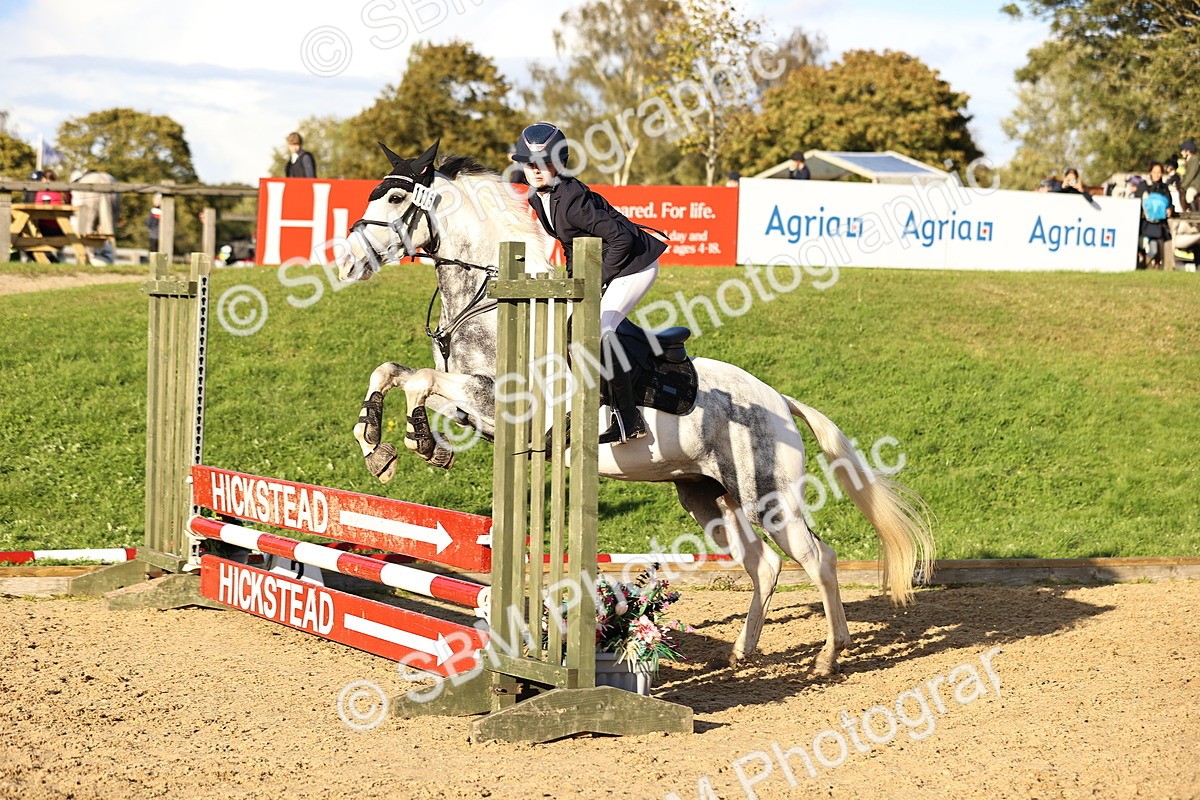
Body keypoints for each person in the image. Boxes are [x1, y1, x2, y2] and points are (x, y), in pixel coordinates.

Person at [510, 122, 666, 445]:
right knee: (575, 328)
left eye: (543, 163)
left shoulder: (572, 198)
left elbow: (622, 240)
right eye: (528, 163)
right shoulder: (538, 198)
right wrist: (572, 284)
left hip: (635, 266)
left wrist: (593, 284)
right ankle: (600, 395)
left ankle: (630, 419)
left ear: (559, 163)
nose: (535, 170)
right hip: (609, 263)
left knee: (601, 330)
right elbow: (570, 244)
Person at [70, 169, 118, 265]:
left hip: (86, 200)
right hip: (111, 184)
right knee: (108, 225)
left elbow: (76, 204)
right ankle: (109, 256)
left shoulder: (82, 182)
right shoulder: (110, 178)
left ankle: (83, 259)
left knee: (85, 229)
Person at [1178, 139, 1199, 211]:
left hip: (1195, 185)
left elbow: (1191, 174)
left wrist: (1183, 185)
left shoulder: (1195, 159)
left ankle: (1195, 214)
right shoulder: (1188, 160)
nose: (1181, 152)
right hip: (1190, 184)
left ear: (1188, 151)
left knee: (1189, 195)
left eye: (1183, 150)